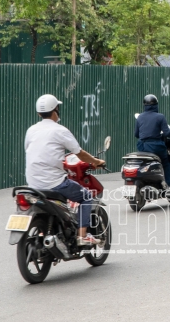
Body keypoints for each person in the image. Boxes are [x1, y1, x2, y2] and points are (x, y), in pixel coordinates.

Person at [24, 94, 107, 247]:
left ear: (38, 113)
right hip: (54, 183)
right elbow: (79, 153)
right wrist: (96, 162)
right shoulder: (60, 130)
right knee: (86, 196)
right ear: (55, 110)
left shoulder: (31, 130)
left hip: (32, 184)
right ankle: (82, 235)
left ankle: (46, 231)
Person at [135, 94, 170, 187]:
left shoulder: (140, 117)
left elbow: (136, 134)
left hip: (142, 147)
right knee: (166, 162)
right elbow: (167, 133)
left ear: (144, 105)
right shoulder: (160, 117)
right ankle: (168, 186)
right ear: (156, 105)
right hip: (155, 146)